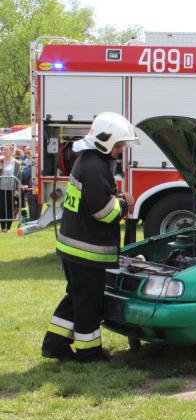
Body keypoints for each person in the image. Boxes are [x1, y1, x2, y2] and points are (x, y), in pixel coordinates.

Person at [40, 113, 136, 362]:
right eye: (119, 144)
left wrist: (116, 198)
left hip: (74, 247)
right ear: (106, 141)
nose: (121, 149)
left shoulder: (90, 160)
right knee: (88, 302)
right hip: (85, 250)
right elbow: (102, 212)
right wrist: (123, 206)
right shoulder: (94, 166)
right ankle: (89, 353)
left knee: (76, 296)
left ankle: (54, 344)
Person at [0, 143, 22, 232]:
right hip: (1, 188)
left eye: (6, 150)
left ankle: (8, 227)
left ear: (12, 151)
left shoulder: (17, 163)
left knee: (10, 207)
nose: (3, 151)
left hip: (11, 189)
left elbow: (19, 176)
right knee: (1, 207)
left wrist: (17, 189)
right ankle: (2, 227)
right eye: (3, 149)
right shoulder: (1, 160)